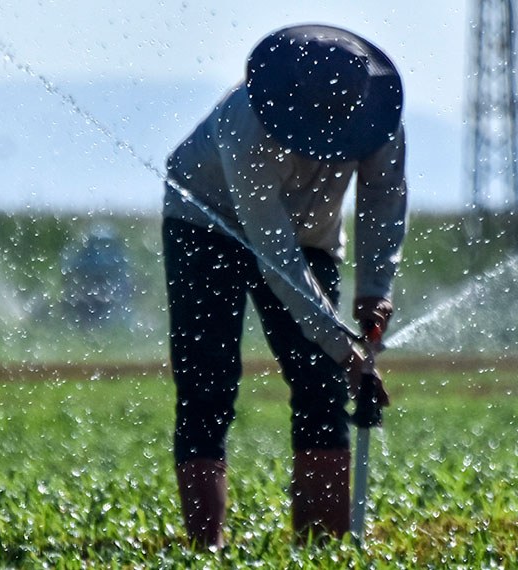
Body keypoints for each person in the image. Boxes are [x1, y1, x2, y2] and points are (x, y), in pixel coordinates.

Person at [162, 24, 406, 548]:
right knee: (208, 383)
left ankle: (322, 547)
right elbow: (276, 261)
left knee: (321, 383)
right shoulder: (245, 126)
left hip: (310, 237)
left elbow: (383, 199)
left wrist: (375, 290)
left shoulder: (379, 117)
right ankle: (207, 547)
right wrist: (347, 348)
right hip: (205, 225)